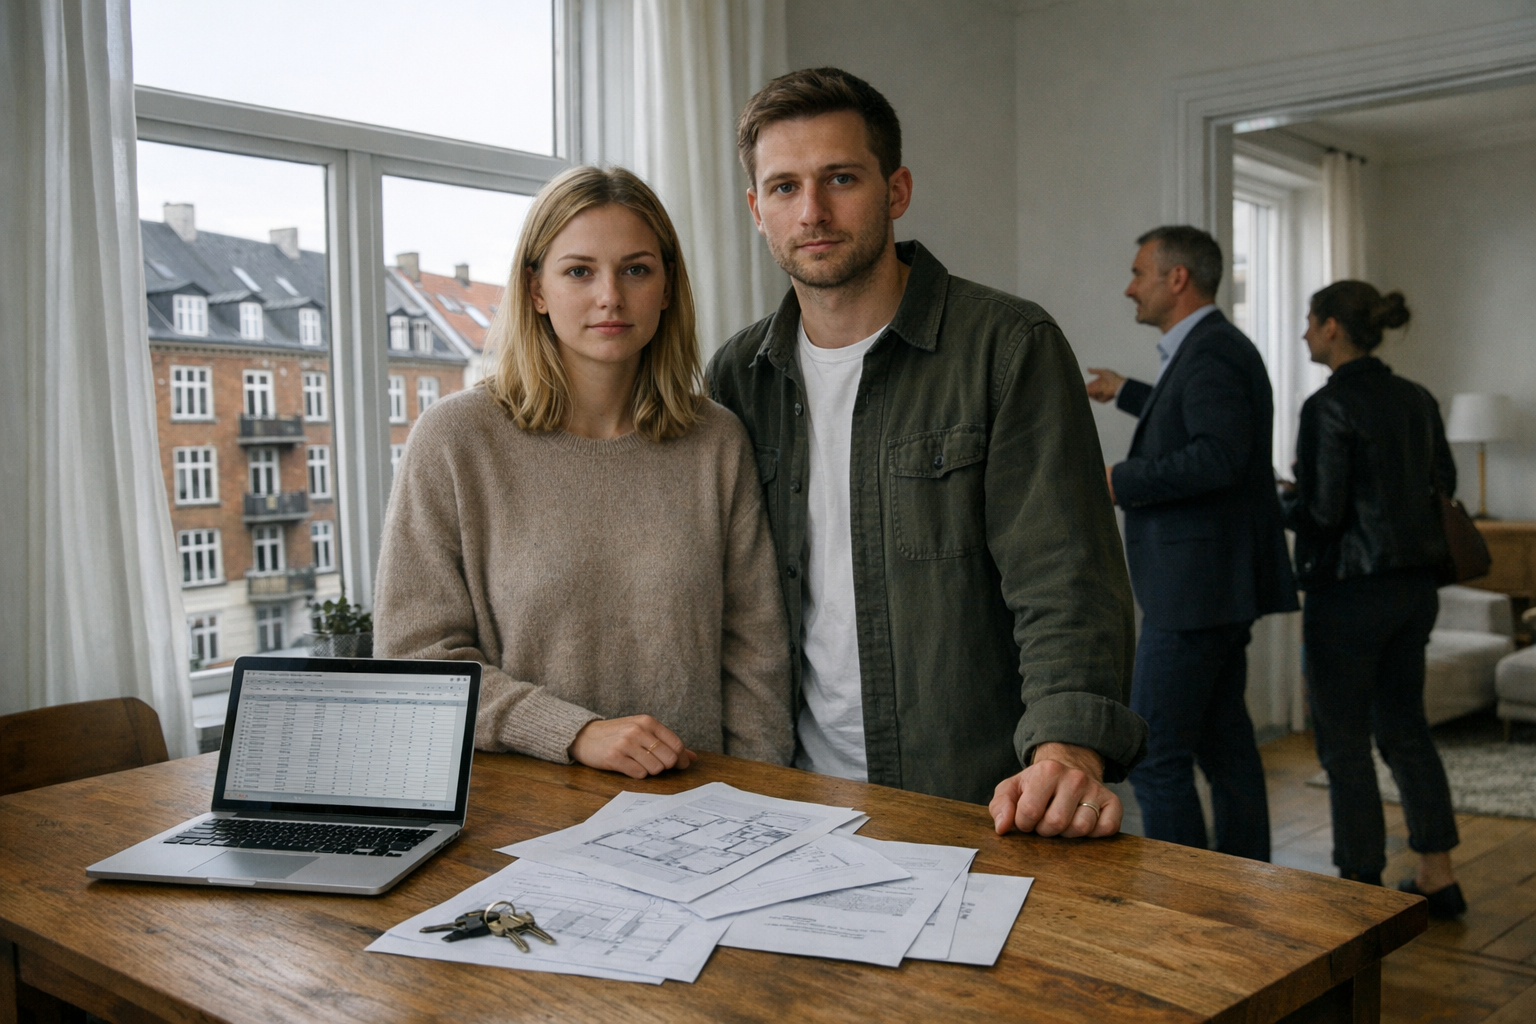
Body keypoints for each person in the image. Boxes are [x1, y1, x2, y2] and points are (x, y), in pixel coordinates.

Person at [708, 67, 1147, 839]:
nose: (812, 211)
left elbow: (1065, 575)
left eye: (841, 178)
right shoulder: (737, 376)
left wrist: (1066, 751)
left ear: (897, 189)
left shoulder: (1007, 347)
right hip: (791, 800)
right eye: (784, 187)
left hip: (979, 801)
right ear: (756, 209)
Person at [374, 165, 793, 780]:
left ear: (667, 287)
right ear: (536, 290)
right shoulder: (455, 440)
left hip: (699, 809)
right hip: (523, 811)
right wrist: (573, 732)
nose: (610, 297)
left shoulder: (716, 441)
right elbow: (415, 661)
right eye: (579, 271)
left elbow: (756, 658)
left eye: (636, 270)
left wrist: (759, 796)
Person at [1085, 226, 1297, 861]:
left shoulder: (1211, 352)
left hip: (1195, 593)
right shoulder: (1210, 348)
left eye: (1139, 273)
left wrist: (1118, 480)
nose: (1130, 288)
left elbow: (1217, 455)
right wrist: (1125, 390)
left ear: (1177, 278)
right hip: (1212, 587)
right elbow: (1192, 419)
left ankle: (1188, 899)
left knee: (1153, 757)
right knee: (1225, 747)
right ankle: (1244, 885)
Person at [1280, 281, 1465, 915]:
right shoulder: (1417, 397)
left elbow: (1324, 515)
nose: (1304, 332)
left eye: (1310, 321)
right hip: (1414, 590)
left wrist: (1280, 500)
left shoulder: (1327, 405)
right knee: (1406, 731)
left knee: (1344, 743)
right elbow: (1444, 483)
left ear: (1332, 327)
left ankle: (1360, 889)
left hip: (1349, 595)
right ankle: (1438, 875)